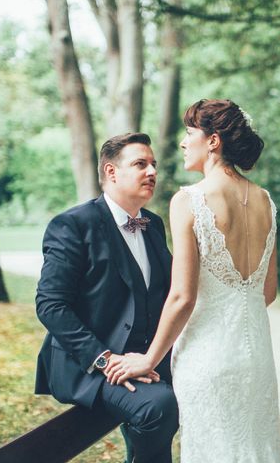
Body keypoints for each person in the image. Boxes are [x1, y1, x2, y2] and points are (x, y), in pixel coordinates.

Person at [106, 99, 280, 462]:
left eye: (190, 133)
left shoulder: (190, 199)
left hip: (208, 356)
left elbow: (182, 297)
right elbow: (268, 291)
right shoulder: (265, 200)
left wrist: (149, 359)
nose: (184, 142)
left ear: (213, 141)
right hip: (257, 357)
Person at [35, 133, 179, 463]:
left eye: (153, 165)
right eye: (141, 164)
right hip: (87, 364)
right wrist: (103, 359)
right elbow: (50, 305)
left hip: (144, 359)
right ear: (111, 172)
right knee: (157, 406)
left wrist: (154, 357)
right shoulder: (72, 225)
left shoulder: (153, 224)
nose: (152, 172)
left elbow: (168, 294)